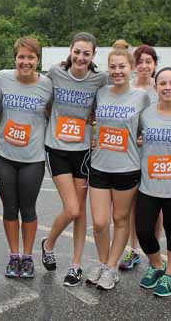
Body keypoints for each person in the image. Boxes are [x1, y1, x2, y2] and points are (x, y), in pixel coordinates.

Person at [40, 32, 106, 287]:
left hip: (82, 151)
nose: (80, 57)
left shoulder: (100, 79)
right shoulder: (56, 73)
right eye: (77, 52)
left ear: (93, 56)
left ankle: (76, 265)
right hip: (56, 148)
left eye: (86, 53)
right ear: (70, 51)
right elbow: (43, 102)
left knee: (80, 213)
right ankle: (49, 243)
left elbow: (110, 104)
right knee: (72, 209)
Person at [86, 48, 149, 290]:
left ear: (131, 68)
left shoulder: (141, 97)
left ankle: (112, 268)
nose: (117, 71)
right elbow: (90, 119)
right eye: (113, 67)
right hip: (100, 165)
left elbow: (150, 125)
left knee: (120, 219)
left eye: (122, 66)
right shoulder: (101, 93)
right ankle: (103, 263)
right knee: (100, 222)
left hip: (127, 167)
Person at [0, 38, 52, 278]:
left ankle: (27, 257)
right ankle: (13, 256)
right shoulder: (2, 78)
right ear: (15, 58)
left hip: (33, 156)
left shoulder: (48, 85)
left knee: (28, 208)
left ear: (38, 60)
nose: (25, 62)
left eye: (30, 57)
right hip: (4, 154)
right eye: (21, 57)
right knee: (9, 207)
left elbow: (56, 113)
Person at [136, 67, 171, 298]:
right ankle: (158, 266)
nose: (168, 87)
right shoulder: (145, 114)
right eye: (163, 83)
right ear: (156, 87)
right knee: (144, 231)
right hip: (148, 185)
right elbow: (135, 138)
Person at [120, 44, 160, 271]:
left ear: (155, 65)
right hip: (133, 156)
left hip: (158, 157)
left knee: (158, 210)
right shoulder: (129, 88)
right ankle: (134, 250)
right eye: (140, 61)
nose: (144, 66)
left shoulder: (162, 86)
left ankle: (155, 253)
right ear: (134, 65)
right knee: (134, 206)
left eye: (149, 61)